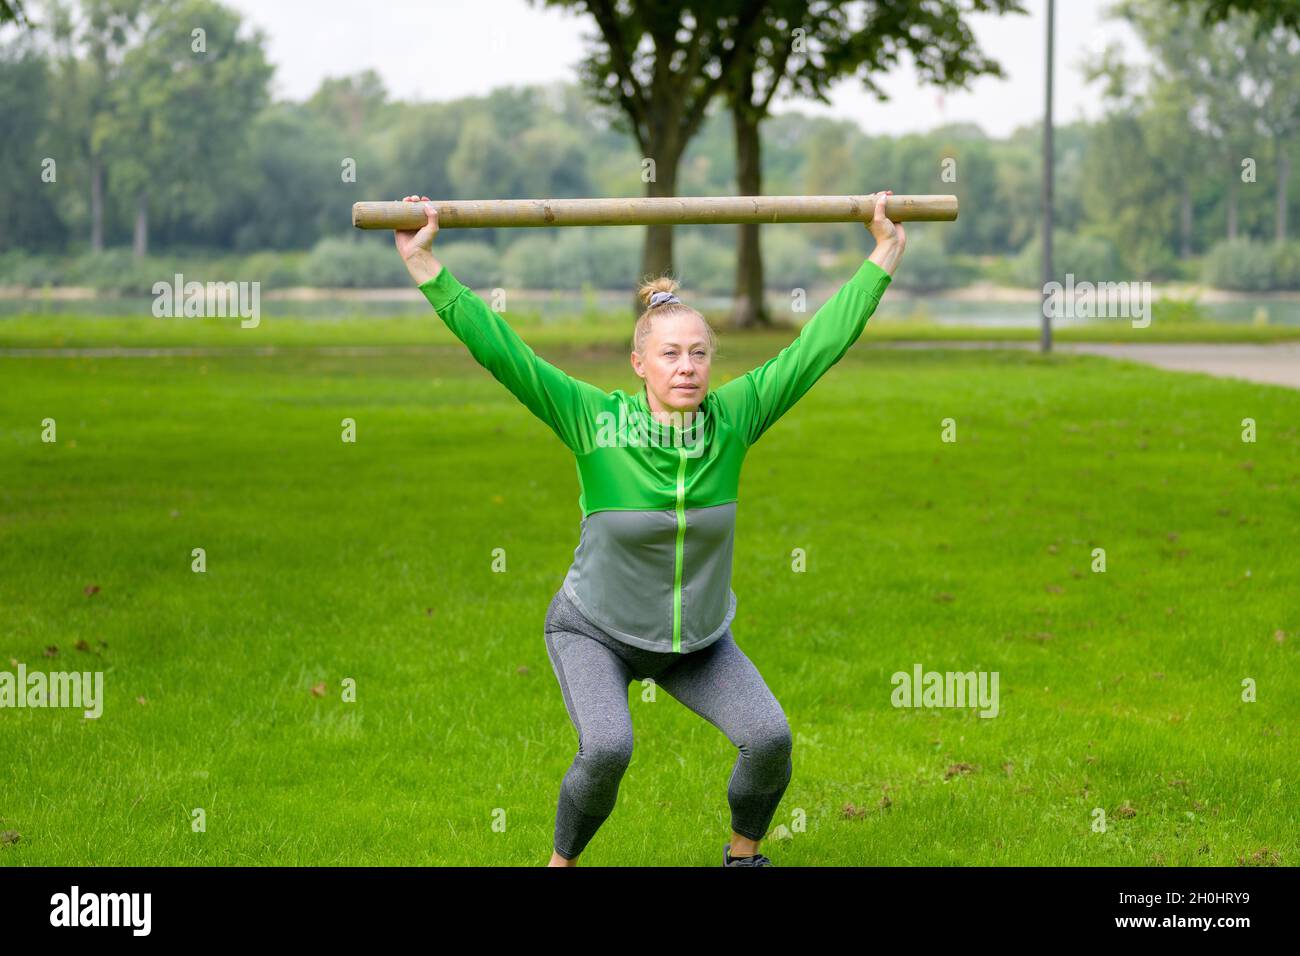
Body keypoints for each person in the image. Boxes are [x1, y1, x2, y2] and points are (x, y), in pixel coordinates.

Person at [394, 191, 905, 866]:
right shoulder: (592, 420)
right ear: (640, 364)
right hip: (593, 629)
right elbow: (505, 353)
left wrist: (884, 254)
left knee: (770, 736)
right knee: (608, 749)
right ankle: (562, 863)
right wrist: (425, 263)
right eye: (670, 354)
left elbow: (817, 346)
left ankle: (744, 857)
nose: (687, 366)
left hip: (694, 640)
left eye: (698, 353)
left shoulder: (737, 418)